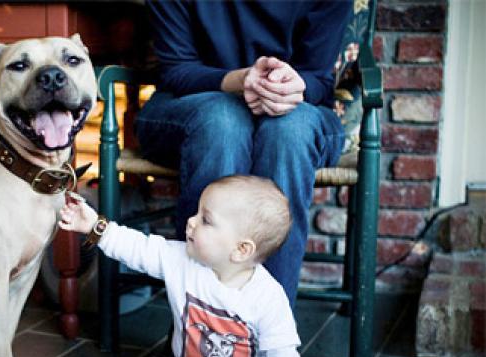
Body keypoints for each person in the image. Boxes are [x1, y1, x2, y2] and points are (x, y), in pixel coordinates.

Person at [59, 175, 329, 357]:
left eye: (206, 220)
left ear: (241, 249)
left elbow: (283, 353)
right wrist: (96, 226)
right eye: (197, 213)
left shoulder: (267, 296)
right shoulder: (180, 258)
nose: (190, 221)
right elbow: (138, 248)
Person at [134, 0, 352, 306]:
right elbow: (177, 70)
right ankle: (199, 324)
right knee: (223, 122)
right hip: (191, 105)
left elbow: (318, 76)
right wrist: (240, 80)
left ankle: (268, 329)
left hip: (296, 110)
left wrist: (291, 87)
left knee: (288, 130)